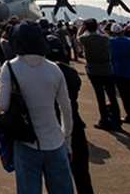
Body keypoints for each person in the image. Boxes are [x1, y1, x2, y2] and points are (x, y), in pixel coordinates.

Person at [0, 21, 74, 194]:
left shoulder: (10, 67)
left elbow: (2, 105)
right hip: (55, 141)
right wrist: (67, 142)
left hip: (26, 142)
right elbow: (66, 109)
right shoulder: (55, 69)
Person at [46, 35, 93, 194]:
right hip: (74, 126)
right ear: (64, 51)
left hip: (52, 128)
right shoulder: (71, 72)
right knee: (82, 173)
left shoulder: (43, 74)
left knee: (56, 177)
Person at [77, 19, 121, 130]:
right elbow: (106, 34)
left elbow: (78, 36)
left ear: (86, 28)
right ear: (96, 27)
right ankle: (117, 121)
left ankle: (104, 121)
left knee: (100, 97)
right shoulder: (104, 39)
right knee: (112, 97)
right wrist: (99, 28)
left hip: (94, 71)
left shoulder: (85, 40)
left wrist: (82, 27)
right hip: (107, 70)